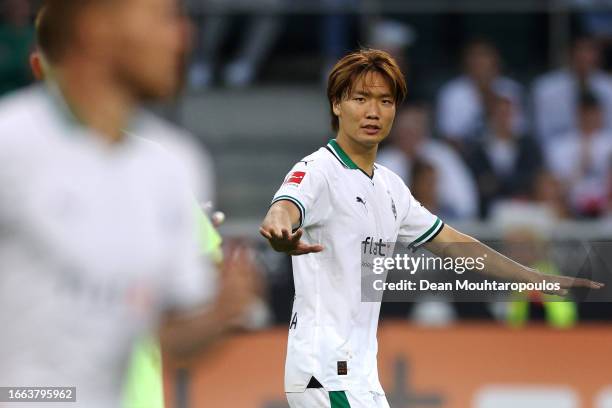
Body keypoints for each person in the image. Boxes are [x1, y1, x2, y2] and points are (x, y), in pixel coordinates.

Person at [260, 48, 603, 408]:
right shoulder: (318, 170)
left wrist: (532, 277)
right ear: (336, 105)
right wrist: (281, 232)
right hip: (325, 368)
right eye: (360, 99)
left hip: (359, 371)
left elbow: (454, 243)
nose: (373, 111)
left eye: (385, 100)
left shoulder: (390, 187)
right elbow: (282, 209)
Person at [0, 0, 243, 406]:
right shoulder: (11, 146)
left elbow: (169, 332)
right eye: (163, 18)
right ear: (96, 28)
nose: (183, 37)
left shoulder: (176, 164)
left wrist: (220, 312)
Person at [377, 104, 478, 220]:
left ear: (424, 131)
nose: (410, 137)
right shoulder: (384, 160)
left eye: (415, 130)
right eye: (405, 131)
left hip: (446, 220)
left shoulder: (441, 154)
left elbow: (465, 202)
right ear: (394, 133)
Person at [436, 38, 525, 149]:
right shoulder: (452, 92)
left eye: (485, 57)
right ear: (466, 62)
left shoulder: (511, 89)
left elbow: (519, 131)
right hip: (466, 152)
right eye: (476, 58)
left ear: (496, 61)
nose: (481, 63)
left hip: (504, 150)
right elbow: (449, 137)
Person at [465, 93, 543, 218]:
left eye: (508, 114)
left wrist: (497, 183)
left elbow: (534, 178)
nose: (504, 120)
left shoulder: (528, 146)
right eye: (500, 114)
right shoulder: (477, 150)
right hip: (488, 213)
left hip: (525, 208)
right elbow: (478, 184)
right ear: (490, 117)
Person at [532, 36, 612, 146]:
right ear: (570, 54)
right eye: (580, 50)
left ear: (597, 56)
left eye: (589, 51)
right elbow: (541, 134)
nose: (584, 56)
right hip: (557, 154)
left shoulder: (609, 87)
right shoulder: (546, 89)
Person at [545, 91, 612, 218]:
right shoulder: (560, 146)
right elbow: (556, 185)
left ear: (600, 114)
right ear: (577, 114)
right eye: (585, 113)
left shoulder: (609, 143)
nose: (589, 117)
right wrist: (580, 165)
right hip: (570, 208)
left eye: (593, 112)